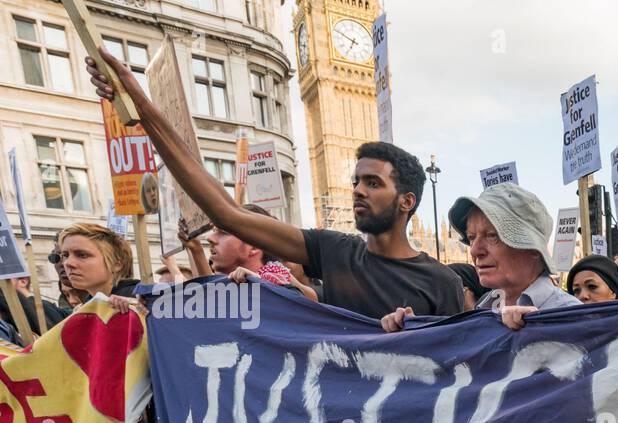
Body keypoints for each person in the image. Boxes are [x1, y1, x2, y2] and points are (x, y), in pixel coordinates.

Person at [86, 49, 463, 321]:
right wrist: (143, 110)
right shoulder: (333, 251)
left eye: (373, 183)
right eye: (355, 181)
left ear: (406, 201)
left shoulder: (441, 282)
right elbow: (227, 213)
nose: (358, 191)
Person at [55, 223, 160, 423]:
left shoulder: (143, 300)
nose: (68, 263)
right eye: (64, 255)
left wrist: (143, 314)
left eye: (81, 254)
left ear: (115, 262)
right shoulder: (79, 313)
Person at [385, 184, 578, 333]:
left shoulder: (574, 318)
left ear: (533, 249)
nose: (475, 250)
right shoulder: (482, 310)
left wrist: (542, 333)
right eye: (471, 237)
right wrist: (412, 334)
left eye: (493, 236)